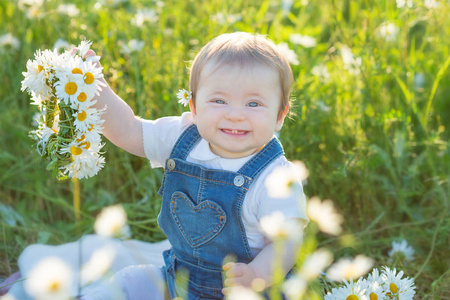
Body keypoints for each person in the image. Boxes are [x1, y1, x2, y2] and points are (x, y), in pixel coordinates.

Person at [6, 32, 308, 300]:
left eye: (253, 104)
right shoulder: (182, 137)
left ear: (280, 115)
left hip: (246, 291)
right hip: (178, 278)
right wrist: (96, 88)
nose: (235, 115)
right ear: (193, 106)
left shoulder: (277, 177)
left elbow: (287, 243)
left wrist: (256, 275)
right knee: (129, 280)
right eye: (219, 101)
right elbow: (130, 131)